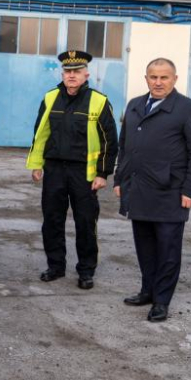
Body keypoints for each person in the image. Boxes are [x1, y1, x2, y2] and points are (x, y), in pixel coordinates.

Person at [114, 58, 191, 322]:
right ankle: (147, 291)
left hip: (170, 192)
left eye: (164, 77)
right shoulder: (135, 105)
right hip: (138, 191)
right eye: (153, 77)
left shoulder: (188, 109)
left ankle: (161, 301)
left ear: (175, 79)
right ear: (146, 78)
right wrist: (120, 180)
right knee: (144, 247)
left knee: (167, 250)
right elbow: (125, 147)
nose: (158, 82)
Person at [26, 50, 118, 290]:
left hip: (84, 174)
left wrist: (102, 173)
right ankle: (55, 266)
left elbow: (110, 141)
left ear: (86, 74)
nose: (72, 75)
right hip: (54, 169)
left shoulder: (99, 101)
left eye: (77, 71)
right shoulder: (50, 97)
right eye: (68, 71)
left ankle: (86, 271)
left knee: (85, 223)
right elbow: (40, 133)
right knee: (52, 220)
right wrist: (36, 164)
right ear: (62, 73)